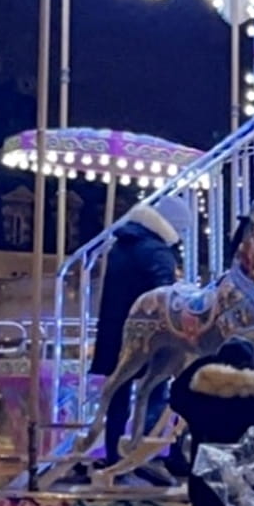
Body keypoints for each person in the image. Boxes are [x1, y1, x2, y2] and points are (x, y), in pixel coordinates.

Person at [88, 198, 193, 466]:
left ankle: (114, 454)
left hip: (116, 331)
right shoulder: (157, 252)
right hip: (149, 336)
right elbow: (166, 296)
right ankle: (145, 455)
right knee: (154, 390)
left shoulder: (121, 245)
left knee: (118, 395)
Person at [169, 337, 254, 506]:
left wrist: (204, 365)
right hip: (243, 482)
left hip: (205, 475)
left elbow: (176, 397)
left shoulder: (199, 390)